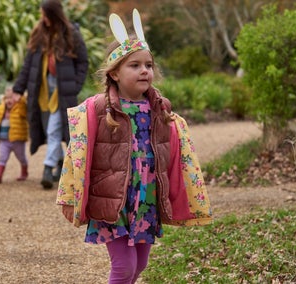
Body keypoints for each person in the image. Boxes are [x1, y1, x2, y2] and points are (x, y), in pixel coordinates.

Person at [56, 9, 212, 284]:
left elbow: (176, 155)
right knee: (124, 267)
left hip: (146, 199)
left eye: (148, 65)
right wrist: (70, 195)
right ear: (114, 73)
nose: (144, 70)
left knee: (140, 264)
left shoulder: (160, 111)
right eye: (135, 65)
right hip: (112, 200)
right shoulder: (99, 110)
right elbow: (76, 154)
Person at [13, 0, 88, 189]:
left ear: (54, 15)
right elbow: (28, 65)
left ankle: (47, 169)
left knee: (54, 130)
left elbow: (82, 62)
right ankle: (60, 164)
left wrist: (75, 86)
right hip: (43, 92)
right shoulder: (39, 34)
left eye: (45, 15)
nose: (43, 19)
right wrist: (18, 89)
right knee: (49, 130)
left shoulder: (71, 34)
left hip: (62, 93)